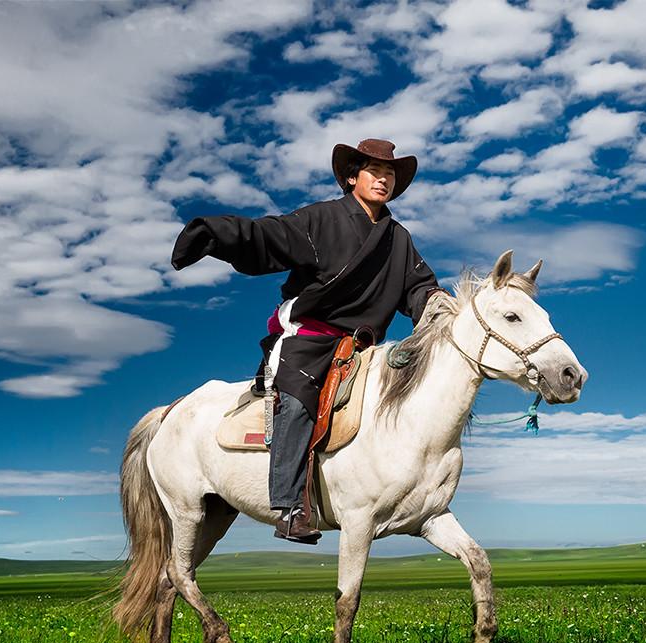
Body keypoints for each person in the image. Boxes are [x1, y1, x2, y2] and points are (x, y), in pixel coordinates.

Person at [171, 139, 443, 545]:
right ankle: (290, 506)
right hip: (312, 342)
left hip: (364, 351)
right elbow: (270, 235)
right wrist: (215, 233)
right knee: (297, 402)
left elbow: (420, 289)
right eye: (374, 170)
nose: (383, 179)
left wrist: (443, 309)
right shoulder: (321, 219)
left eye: (390, 173)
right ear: (353, 177)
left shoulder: (399, 240)